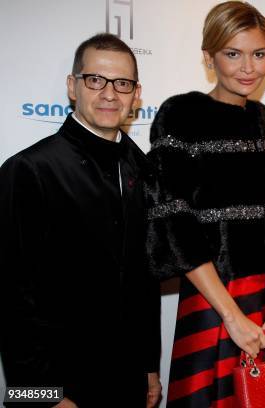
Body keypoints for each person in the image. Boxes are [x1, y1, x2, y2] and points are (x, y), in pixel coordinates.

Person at [145, 1, 265, 406]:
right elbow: (176, 225)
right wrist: (232, 316)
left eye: (259, 54)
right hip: (215, 302)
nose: (248, 68)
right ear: (208, 56)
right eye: (232, 54)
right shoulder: (181, 117)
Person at [0, 33, 161, 407]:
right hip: (56, 386)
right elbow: (10, 295)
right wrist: (41, 397)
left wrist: (148, 365)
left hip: (125, 381)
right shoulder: (29, 170)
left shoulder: (144, 169)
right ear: (73, 87)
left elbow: (143, 280)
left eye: (122, 83)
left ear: (136, 94)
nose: (109, 93)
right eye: (95, 80)